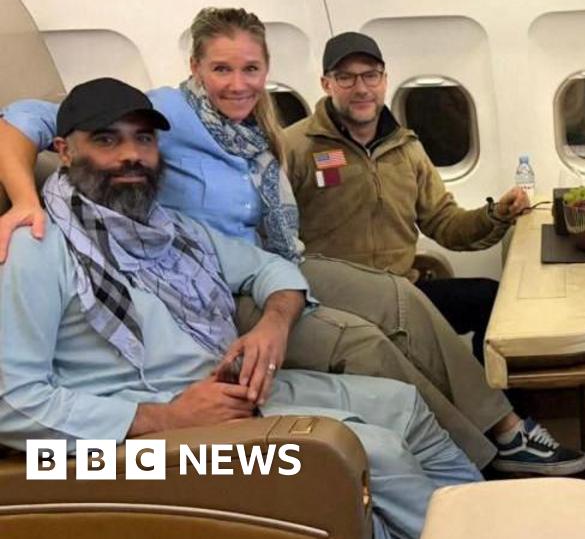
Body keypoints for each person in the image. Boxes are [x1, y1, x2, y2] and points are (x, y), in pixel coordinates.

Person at [0, 7, 585, 476]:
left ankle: (497, 443)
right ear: (195, 67)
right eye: (221, 69)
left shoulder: (246, 145)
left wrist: (495, 215)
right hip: (205, 324)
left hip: (243, 269)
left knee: (401, 302)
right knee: (365, 358)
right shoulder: (155, 116)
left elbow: (277, 252)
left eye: (251, 69)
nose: (238, 83)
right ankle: (479, 459)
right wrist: (24, 197)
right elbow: (29, 117)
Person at [0, 78, 482, 539]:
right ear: (64, 151)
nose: (131, 154)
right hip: (141, 441)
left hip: (227, 393)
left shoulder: (171, 230)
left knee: (404, 405)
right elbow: (12, 403)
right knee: (374, 451)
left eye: (143, 139)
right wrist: (164, 417)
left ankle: (487, 513)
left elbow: (271, 269)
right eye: (106, 140)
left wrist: (272, 326)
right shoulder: (37, 248)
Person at [283, 32, 528, 361]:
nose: (361, 88)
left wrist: (496, 214)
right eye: (346, 77)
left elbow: (445, 223)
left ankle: (497, 393)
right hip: (334, 305)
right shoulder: (294, 148)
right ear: (326, 84)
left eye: (371, 75)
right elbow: (274, 240)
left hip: (401, 294)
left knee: (491, 300)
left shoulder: (406, 148)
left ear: (384, 80)